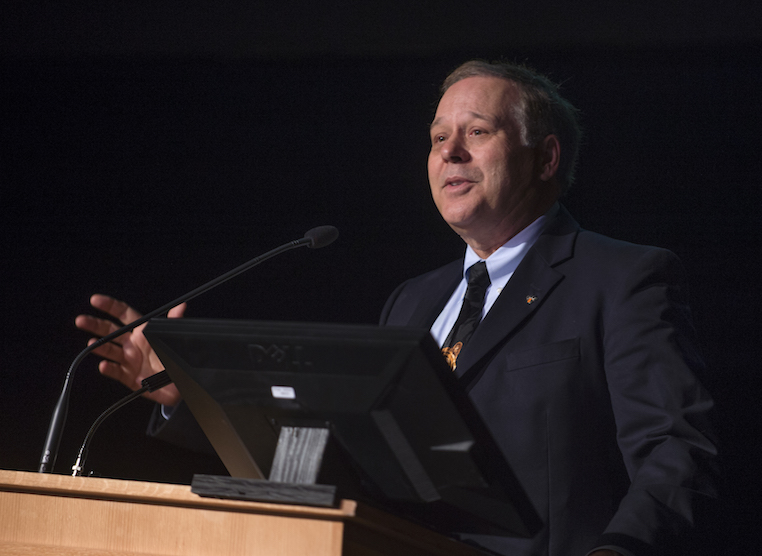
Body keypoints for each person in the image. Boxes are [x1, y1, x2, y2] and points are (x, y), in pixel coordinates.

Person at [77, 61, 719, 556]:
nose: (449, 153)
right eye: (438, 137)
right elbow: (338, 460)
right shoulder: (413, 301)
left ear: (545, 157)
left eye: (477, 133)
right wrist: (191, 398)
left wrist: (620, 550)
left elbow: (675, 450)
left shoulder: (621, 277)